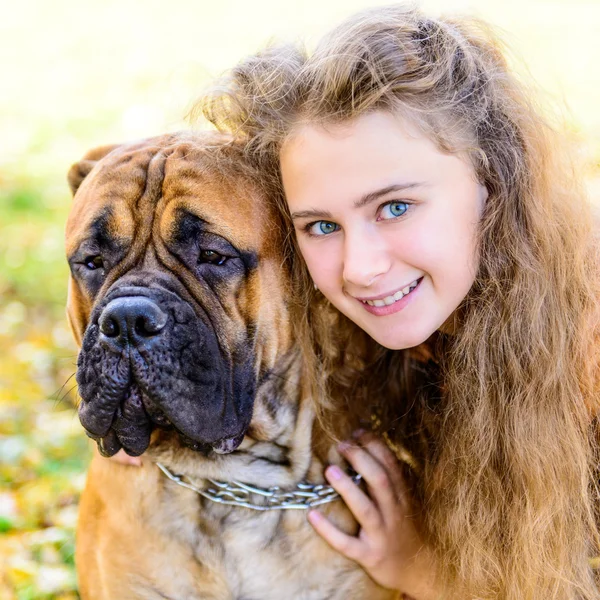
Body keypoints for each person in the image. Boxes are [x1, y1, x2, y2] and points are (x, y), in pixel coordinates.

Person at [191, 5, 600, 599]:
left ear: (494, 182)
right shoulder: (422, 314)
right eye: (321, 226)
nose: (361, 269)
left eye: (396, 207)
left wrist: (427, 575)